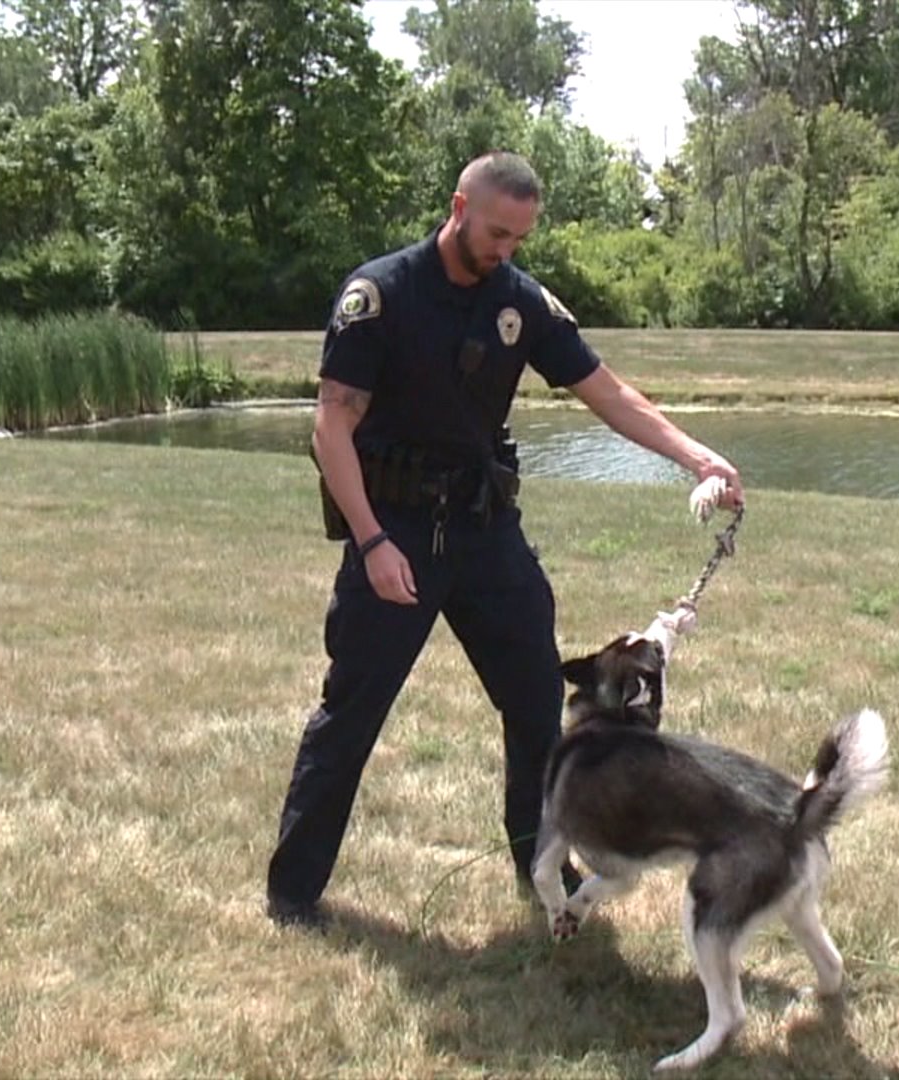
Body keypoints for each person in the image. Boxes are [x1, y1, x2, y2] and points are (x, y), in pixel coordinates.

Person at [266, 151, 744, 929]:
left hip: (486, 533)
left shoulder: (519, 301)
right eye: (496, 233)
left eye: (520, 238)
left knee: (533, 705)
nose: (506, 251)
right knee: (351, 712)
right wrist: (374, 542)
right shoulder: (381, 295)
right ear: (458, 206)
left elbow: (606, 392)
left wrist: (696, 455)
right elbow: (331, 428)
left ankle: (539, 861)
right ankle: (293, 892)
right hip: (398, 532)